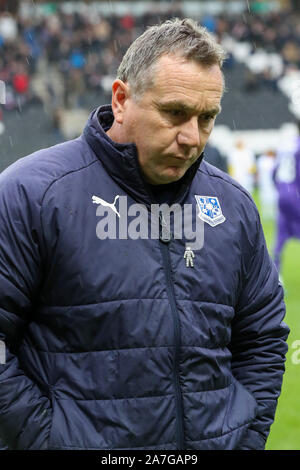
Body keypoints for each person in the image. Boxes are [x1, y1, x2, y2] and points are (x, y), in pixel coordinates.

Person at [0, 18, 289, 451]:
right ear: (121, 99)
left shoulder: (232, 206)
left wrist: (243, 439)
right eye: (174, 113)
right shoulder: (32, 193)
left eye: (206, 118)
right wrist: (48, 439)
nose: (192, 137)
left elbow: (263, 337)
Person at [273, 121, 300, 273]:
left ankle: (276, 274)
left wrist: (280, 189)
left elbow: (274, 172)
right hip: (295, 194)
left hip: (282, 194)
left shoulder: (285, 146)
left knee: (281, 235)